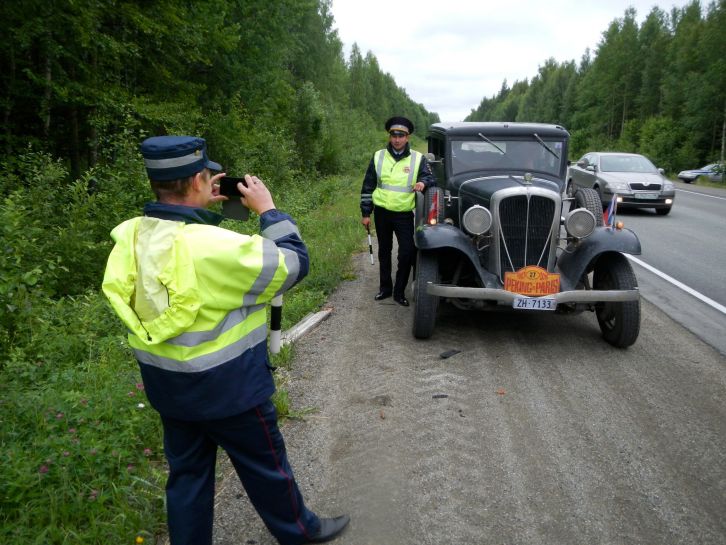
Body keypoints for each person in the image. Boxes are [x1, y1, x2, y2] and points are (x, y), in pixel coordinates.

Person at [102, 136, 349, 545]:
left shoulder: (130, 236)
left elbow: (182, 250)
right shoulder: (216, 247)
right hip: (229, 390)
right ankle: (302, 532)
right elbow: (292, 264)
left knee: (188, 477)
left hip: (168, 387)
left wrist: (198, 211)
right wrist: (268, 210)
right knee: (266, 467)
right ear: (200, 179)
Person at [360, 116, 436, 306]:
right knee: (384, 251)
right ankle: (385, 288)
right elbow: (368, 185)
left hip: (403, 214)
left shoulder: (418, 158)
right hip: (382, 212)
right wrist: (366, 213)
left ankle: (399, 292)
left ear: (407, 137)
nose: (397, 139)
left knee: (407, 252)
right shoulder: (378, 156)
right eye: (393, 135)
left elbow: (431, 178)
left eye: (401, 135)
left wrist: (423, 182)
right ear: (389, 136)